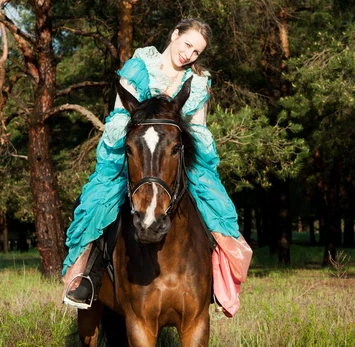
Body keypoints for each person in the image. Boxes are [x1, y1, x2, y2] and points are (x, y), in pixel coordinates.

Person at [63, 18, 252, 314]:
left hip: (175, 155)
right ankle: (89, 277)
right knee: (100, 202)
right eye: (187, 44)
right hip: (137, 150)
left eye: (196, 52)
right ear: (175, 34)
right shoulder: (139, 67)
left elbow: (198, 127)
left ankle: (213, 280)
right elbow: (118, 115)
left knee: (215, 205)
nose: (188, 55)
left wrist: (189, 148)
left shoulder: (199, 83)